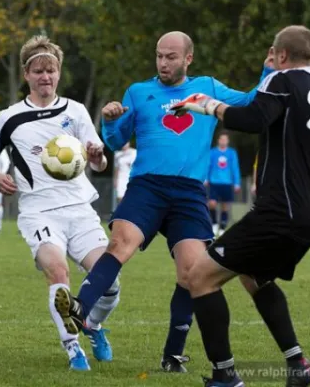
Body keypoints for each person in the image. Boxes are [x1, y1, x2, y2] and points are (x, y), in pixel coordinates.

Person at [52, 31, 274, 373]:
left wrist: (267, 73)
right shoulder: (139, 92)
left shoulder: (209, 89)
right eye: (159, 56)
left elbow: (248, 104)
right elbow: (114, 140)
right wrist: (110, 121)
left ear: (188, 58)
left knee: (192, 273)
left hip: (188, 193)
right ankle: (81, 309)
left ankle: (172, 356)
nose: (163, 62)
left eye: (171, 56)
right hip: (147, 187)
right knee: (120, 244)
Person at [170, 25, 310, 387]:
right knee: (254, 277)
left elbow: (252, 119)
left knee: (199, 278)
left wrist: (205, 105)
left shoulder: (280, 81)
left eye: (273, 55)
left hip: (279, 211)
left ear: (281, 55)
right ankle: (298, 365)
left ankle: (225, 376)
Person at [0, 35, 119, 371]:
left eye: (51, 70)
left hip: (80, 209)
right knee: (58, 271)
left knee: (109, 282)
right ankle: (73, 350)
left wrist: (97, 156)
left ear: (59, 73)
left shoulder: (77, 111)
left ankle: (93, 325)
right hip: (38, 211)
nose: (46, 77)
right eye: (39, 71)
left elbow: (99, 164)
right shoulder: (9, 117)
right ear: (27, 74)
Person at [206, 131, 241, 236]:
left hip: (227, 182)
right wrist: (206, 178)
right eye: (221, 139)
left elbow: (235, 168)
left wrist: (237, 183)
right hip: (214, 182)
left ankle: (222, 227)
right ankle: (214, 223)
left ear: (228, 141)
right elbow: (208, 165)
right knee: (212, 203)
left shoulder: (231, 153)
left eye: (225, 139)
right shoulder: (212, 152)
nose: (223, 141)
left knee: (225, 206)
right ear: (218, 140)